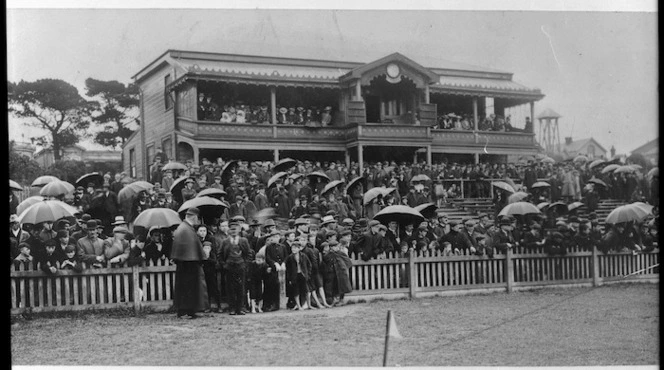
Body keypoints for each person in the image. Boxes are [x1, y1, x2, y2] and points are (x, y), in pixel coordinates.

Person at [170, 207, 208, 319]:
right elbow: (194, 247)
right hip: (190, 263)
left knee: (184, 287)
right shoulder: (187, 229)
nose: (198, 221)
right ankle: (188, 310)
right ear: (195, 217)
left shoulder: (183, 228)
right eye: (198, 218)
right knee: (190, 287)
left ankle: (184, 310)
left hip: (184, 262)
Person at [220, 220, 252, 315]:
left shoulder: (243, 240)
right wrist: (224, 264)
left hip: (240, 266)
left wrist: (245, 264)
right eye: (231, 229)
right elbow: (220, 254)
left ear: (239, 230)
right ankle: (232, 308)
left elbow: (249, 254)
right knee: (230, 288)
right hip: (229, 267)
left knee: (241, 288)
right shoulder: (225, 241)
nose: (233, 231)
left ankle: (240, 308)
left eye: (235, 229)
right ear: (229, 230)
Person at [284, 240, 312, 310]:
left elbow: (309, 265)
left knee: (307, 291)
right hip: (294, 276)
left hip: (303, 275)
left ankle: (309, 305)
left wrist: (308, 274)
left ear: (299, 248)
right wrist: (289, 278)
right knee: (296, 291)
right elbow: (288, 269)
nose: (293, 249)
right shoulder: (290, 257)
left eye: (295, 248)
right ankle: (299, 306)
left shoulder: (303, 256)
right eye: (292, 248)